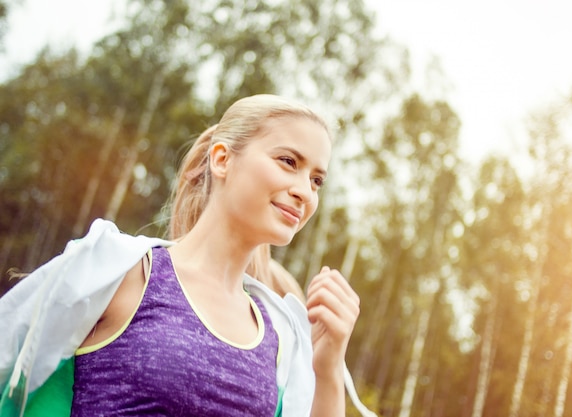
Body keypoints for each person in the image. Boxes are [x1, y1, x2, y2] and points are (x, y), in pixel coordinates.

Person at [0, 94, 373, 417]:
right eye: (289, 162)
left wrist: (327, 367)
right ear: (223, 159)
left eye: (316, 180)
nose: (304, 192)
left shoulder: (279, 336)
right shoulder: (119, 270)